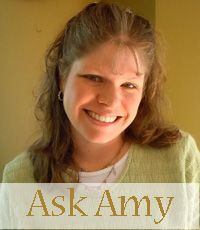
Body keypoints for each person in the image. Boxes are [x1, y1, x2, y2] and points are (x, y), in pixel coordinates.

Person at [2, 1, 200, 184]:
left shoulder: (180, 158)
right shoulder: (19, 177)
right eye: (94, 78)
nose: (111, 101)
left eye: (129, 85)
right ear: (62, 77)